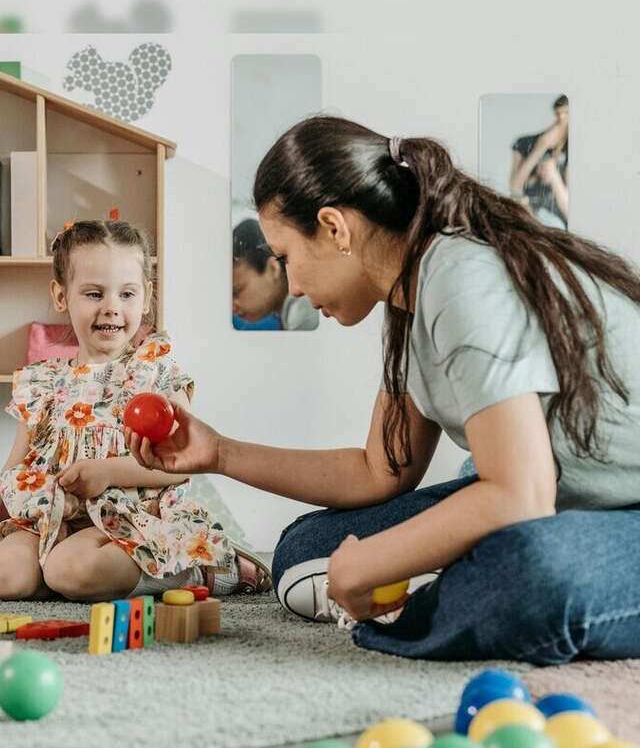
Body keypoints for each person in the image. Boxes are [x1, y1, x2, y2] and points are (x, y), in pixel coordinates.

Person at [127, 115, 640, 665]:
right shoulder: (410, 298)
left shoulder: (463, 279)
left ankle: (456, 581)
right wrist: (219, 453)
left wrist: (378, 561)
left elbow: (519, 493)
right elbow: (380, 470)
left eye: (286, 257)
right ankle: (451, 579)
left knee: (528, 573)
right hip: (567, 501)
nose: (292, 285)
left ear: (334, 227)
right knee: (305, 548)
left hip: (597, 507)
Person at [0, 220, 269, 602]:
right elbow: (15, 469)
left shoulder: (154, 368)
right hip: (50, 518)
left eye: (126, 294)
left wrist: (105, 472)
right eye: (94, 293)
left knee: (70, 570)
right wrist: (30, 494)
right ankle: (57, 573)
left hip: (130, 515)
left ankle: (198, 566)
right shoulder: (39, 382)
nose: (111, 307)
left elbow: (183, 464)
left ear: (146, 297)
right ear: (61, 296)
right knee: (7, 575)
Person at [232, 218, 318, 330]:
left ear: (273, 269)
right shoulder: (290, 314)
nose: (232, 307)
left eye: (237, 291)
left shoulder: (304, 313)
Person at [509, 94, 569, 229]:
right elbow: (515, 187)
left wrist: (554, 177)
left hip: (558, 225)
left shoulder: (575, 149)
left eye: (566, 113)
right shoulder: (525, 142)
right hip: (528, 216)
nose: (562, 118)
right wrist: (540, 148)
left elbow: (569, 210)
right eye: (559, 114)